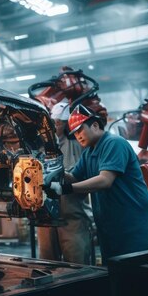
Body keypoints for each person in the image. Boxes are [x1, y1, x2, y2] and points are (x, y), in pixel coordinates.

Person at [43, 104, 148, 264]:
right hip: (111, 226)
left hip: (134, 224)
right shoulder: (89, 153)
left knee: (138, 278)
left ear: (95, 125)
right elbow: (75, 177)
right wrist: (53, 171)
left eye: (80, 130)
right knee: (116, 279)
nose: (78, 136)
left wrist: (64, 189)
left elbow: (105, 180)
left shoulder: (114, 143)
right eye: (74, 133)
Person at [38, 102, 92, 264]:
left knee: (77, 263)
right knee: (47, 264)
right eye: (53, 121)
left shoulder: (80, 144)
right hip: (46, 216)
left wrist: (63, 177)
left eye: (59, 123)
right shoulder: (40, 146)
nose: (55, 126)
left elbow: (88, 180)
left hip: (72, 216)